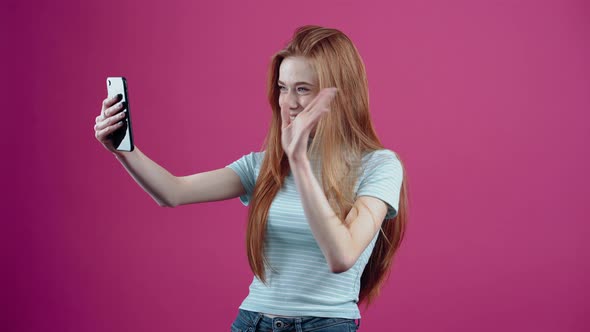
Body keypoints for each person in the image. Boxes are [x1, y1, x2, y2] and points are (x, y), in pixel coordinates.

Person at [94, 25, 408, 332]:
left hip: (325, 323)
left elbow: (342, 255)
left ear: (339, 96)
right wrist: (125, 150)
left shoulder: (378, 166)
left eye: (303, 89)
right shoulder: (263, 166)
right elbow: (172, 192)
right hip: (252, 321)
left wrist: (298, 160)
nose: (290, 103)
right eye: (283, 88)